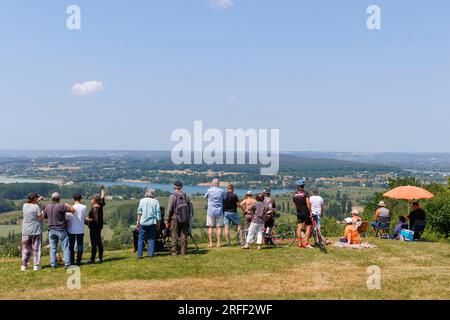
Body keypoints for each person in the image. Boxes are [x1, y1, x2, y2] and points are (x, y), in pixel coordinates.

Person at [44, 192, 76, 268]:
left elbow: (45, 216)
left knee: (53, 248)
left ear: (52, 198)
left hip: (51, 229)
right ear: (59, 199)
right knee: (65, 247)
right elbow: (73, 210)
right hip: (61, 229)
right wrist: (67, 205)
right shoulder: (61, 206)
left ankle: (53, 264)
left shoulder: (47, 207)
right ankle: (67, 264)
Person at [166, 181, 192, 256]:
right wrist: (188, 218)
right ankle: (183, 251)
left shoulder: (172, 196)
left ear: (174, 187)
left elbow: (169, 209)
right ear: (181, 187)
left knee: (174, 236)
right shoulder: (186, 196)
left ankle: (174, 252)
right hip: (185, 218)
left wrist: (167, 219)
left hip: (175, 218)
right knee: (184, 235)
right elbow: (189, 208)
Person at [21, 192, 45, 271]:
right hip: (35, 231)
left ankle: (24, 265)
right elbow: (41, 218)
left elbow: (31, 205)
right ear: (35, 198)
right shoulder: (37, 207)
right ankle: (36, 266)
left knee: (25, 249)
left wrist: (37, 200)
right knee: (36, 248)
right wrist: (43, 212)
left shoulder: (24, 206)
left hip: (25, 231)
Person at [136, 189, 161, 259]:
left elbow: (139, 212)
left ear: (146, 193)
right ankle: (151, 254)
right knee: (151, 238)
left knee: (141, 238)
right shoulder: (156, 201)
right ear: (153, 194)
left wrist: (137, 222)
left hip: (143, 222)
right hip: (152, 222)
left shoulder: (142, 200)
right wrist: (158, 224)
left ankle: (139, 255)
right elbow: (158, 213)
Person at [86, 185, 106, 264]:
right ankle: (100, 258)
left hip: (94, 228)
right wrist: (102, 190)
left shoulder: (95, 208)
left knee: (94, 243)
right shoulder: (100, 205)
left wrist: (88, 219)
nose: (90, 199)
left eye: (92, 198)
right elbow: (102, 197)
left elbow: (95, 220)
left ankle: (92, 259)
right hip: (99, 227)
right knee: (99, 243)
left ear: (94, 200)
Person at [204, 178, 225, 248]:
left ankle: (211, 243)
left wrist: (211, 187)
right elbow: (224, 198)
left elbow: (205, 197)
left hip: (210, 211)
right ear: (218, 183)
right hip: (219, 211)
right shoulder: (222, 191)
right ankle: (218, 243)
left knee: (210, 227)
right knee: (219, 227)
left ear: (212, 183)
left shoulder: (209, 190)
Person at [68, 193, 87, 266]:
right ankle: (78, 261)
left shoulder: (71, 207)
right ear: (80, 199)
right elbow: (84, 217)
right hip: (80, 229)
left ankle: (72, 261)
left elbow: (69, 218)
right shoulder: (84, 207)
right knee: (80, 245)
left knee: (71, 246)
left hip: (72, 229)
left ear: (73, 199)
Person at [293, 179, 313, 249]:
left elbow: (295, 204)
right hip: (306, 212)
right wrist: (310, 211)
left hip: (299, 212)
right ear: (303, 186)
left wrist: (298, 210)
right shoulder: (305, 193)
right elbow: (308, 203)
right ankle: (306, 243)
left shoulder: (294, 194)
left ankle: (299, 243)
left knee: (299, 228)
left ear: (297, 186)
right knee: (308, 227)